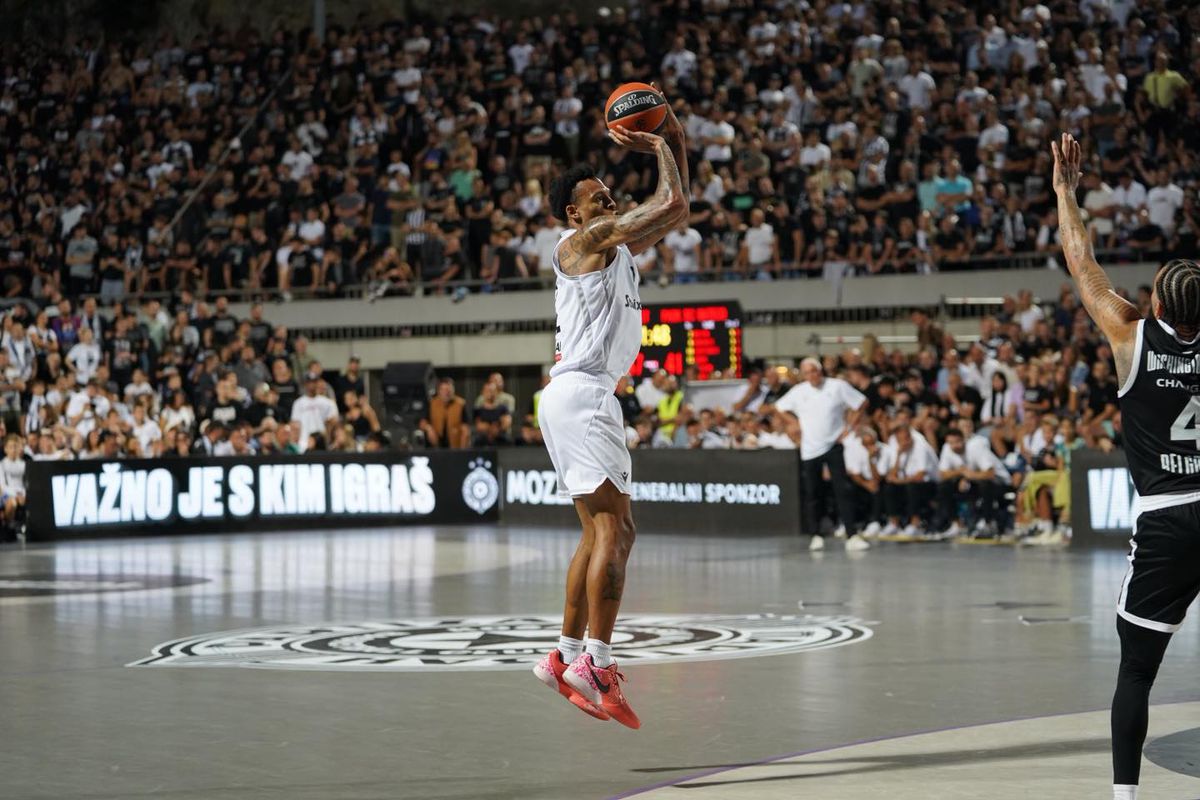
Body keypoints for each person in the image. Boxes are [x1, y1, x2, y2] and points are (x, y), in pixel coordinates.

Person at [532, 85, 688, 729]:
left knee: (598, 532)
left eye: (609, 195)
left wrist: (675, 133)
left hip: (572, 396)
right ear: (575, 213)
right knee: (619, 532)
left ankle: (563, 655)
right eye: (598, 198)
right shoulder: (585, 239)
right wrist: (659, 143)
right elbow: (670, 201)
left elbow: (677, 207)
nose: (610, 202)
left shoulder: (613, 249)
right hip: (585, 393)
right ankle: (597, 660)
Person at [1052, 132, 1200, 800]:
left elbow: (1082, 262)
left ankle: (1125, 797)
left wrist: (1066, 191)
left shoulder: (1129, 333)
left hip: (1167, 518)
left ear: (1157, 305)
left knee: (1136, 672)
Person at [774, 357, 870, 552]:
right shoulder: (799, 391)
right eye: (807, 373)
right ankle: (816, 535)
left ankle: (852, 534)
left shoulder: (837, 386)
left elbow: (861, 402)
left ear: (820, 371)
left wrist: (849, 427)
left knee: (842, 490)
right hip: (810, 449)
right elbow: (779, 407)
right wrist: (794, 423)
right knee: (813, 493)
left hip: (834, 445)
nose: (812, 376)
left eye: (814, 371)